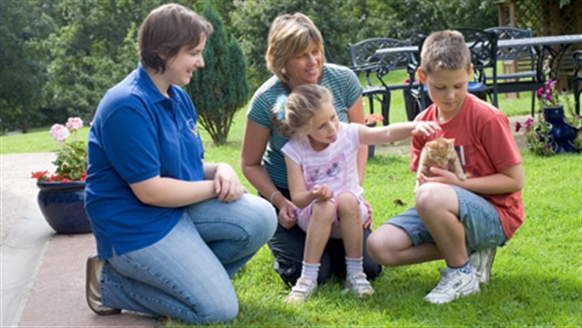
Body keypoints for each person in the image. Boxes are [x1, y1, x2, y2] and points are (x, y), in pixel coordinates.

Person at [84, 4, 277, 324]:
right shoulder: (126, 106)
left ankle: (197, 280)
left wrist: (221, 170)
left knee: (260, 216)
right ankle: (110, 285)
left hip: (174, 213)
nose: (200, 62)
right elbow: (151, 191)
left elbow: (188, 166)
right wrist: (214, 187)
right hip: (135, 228)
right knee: (218, 310)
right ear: (163, 52)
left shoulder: (177, 96)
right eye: (194, 53)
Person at [367, 30, 525, 304]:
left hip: (496, 214)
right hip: (443, 206)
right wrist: (425, 185)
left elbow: (514, 180)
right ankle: (468, 251)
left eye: (459, 85)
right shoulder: (423, 123)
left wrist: (458, 183)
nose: (450, 95)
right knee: (379, 247)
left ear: (470, 72)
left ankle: (461, 273)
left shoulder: (486, 118)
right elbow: (423, 184)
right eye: (440, 88)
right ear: (422, 77)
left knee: (430, 196)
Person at [240, 12, 381, 287]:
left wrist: (354, 194)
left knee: (370, 266)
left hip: (337, 193)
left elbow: (359, 140)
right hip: (291, 198)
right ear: (281, 60)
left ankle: (328, 243)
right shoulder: (266, 99)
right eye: (302, 55)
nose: (313, 61)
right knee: (311, 273)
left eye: (316, 51)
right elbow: (249, 163)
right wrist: (281, 203)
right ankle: (290, 244)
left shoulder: (343, 80)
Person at [274, 84, 439, 303]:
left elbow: (384, 133)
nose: (332, 128)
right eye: (322, 126)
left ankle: (355, 273)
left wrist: (414, 126)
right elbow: (297, 198)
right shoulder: (295, 150)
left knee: (346, 199)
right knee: (326, 205)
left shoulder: (348, 133)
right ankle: (307, 279)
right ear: (304, 130)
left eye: (333, 117)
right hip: (314, 216)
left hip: (350, 215)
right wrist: (314, 194)